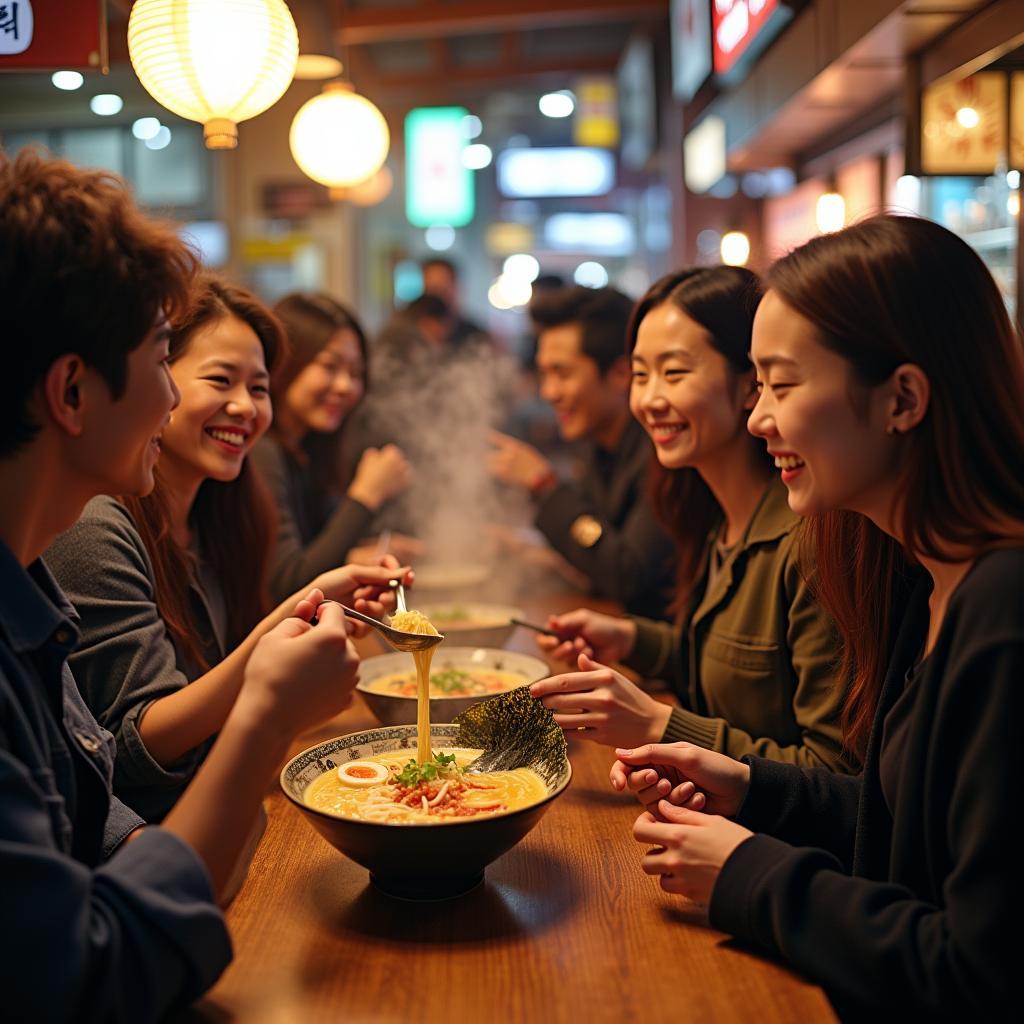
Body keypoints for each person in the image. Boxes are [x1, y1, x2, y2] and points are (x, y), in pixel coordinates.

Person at [0, 149, 380, 1021]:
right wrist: (262, 716)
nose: (173, 393)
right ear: (71, 389)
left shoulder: (28, 597)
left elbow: (105, 823)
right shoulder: (88, 539)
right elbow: (83, 980)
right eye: (165, 359)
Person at [611, 216, 1023, 1017]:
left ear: (902, 398)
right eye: (757, 387)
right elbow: (895, 822)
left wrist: (748, 875)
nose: (760, 418)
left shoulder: (1002, 614)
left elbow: (978, 973)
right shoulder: (923, 577)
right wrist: (750, 785)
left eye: (781, 384)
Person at [46, 273, 407, 824]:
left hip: (226, 805)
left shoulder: (225, 515)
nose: (244, 407)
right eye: (221, 380)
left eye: (259, 388)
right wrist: (279, 634)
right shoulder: (96, 525)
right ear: (158, 384)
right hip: (162, 837)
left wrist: (307, 617)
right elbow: (136, 745)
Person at [530, 268, 849, 771]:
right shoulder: (710, 519)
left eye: (674, 372)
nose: (651, 399)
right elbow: (731, 668)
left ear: (752, 385)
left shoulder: (808, 541)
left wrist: (661, 725)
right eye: (640, 375)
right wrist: (634, 639)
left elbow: (836, 776)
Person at [488, 286, 676, 618]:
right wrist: (531, 553)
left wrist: (544, 486)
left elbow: (626, 574)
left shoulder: (663, 451)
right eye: (544, 374)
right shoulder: (596, 447)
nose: (548, 392)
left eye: (562, 373)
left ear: (620, 374)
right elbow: (597, 551)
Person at [249, 291, 415, 603]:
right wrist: (366, 495)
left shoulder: (307, 448)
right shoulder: (261, 451)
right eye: (330, 366)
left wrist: (358, 556)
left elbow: (309, 556)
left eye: (355, 373)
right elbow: (290, 583)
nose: (345, 386)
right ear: (286, 363)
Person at [421, 256, 491, 351]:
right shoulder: (409, 335)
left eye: (443, 290)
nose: (437, 299)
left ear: (456, 289)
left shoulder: (475, 337)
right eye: (432, 290)